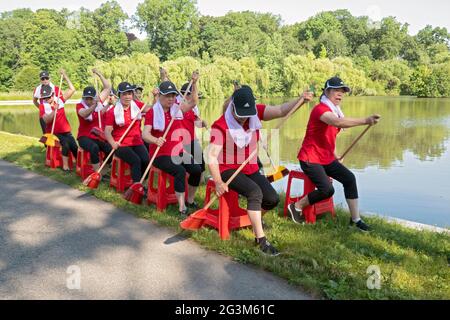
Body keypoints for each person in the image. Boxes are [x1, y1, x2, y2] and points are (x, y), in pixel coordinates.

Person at [208, 86, 313, 256]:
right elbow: (212, 156)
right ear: (233, 107)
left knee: (271, 199)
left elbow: (280, 110)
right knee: (255, 192)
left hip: (250, 167)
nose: (243, 119)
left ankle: (254, 220)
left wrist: (300, 101)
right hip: (228, 169)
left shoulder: (256, 113)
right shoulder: (220, 125)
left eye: (246, 115)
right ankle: (261, 240)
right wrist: (218, 182)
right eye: (240, 115)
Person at [288, 77, 381, 232]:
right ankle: (296, 206)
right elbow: (337, 123)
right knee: (327, 190)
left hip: (326, 157)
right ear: (326, 91)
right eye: (336, 91)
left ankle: (355, 220)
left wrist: (336, 154)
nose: (340, 94)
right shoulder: (321, 110)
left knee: (349, 179)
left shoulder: (335, 111)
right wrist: (365, 120)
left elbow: (330, 137)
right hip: (310, 158)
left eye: (342, 92)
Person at [142, 73, 201, 215]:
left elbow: (193, 102)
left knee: (196, 169)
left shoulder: (177, 108)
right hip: (160, 154)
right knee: (179, 171)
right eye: (167, 96)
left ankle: (190, 200)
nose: (171, 99)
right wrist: (155, 140)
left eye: (173, 96)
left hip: (178, 151)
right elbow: (145, 134)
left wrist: (194, 83)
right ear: (160, 96)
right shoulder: (152, 112)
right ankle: (182, 208)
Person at [104, 82, 150, 184]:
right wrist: (113, 143)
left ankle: (142, 183)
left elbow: (152, 109)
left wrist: (156, 97)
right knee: (136, 160)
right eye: (124, 94)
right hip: (120, 143)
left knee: (146, 160)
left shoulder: (138, 105)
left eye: (129, 93)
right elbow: (107, 131)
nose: (127, 96)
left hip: (137, 141)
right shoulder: (112, 111)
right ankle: (135, 187)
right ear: (119, 95)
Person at [39, 70, 77, 171]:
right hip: (54, 132)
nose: (47, 99)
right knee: (66, 144)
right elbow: (46, 120)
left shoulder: (59, 100)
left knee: (74, 147)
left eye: (48, 97)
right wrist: (54, 111)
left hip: (66, 130)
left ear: (52, 94)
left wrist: (65, 76)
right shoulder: (43, 106)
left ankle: (78, 165)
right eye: (45, 98)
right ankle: (65, 166)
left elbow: (72, 89)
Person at [76, 69, 113, 172]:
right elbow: (84, 114)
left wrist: (99, 73)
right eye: (86, 98)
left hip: (97, 135)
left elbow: (107, 87)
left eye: (90, 99)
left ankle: (104, 170)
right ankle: (97, 173)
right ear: (83, 98)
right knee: (94, 147)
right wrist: (94, 105)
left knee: (110, 149)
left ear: (94, 97)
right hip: (84, 137)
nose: (88, 101)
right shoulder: (79, 106)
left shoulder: (98, 102)